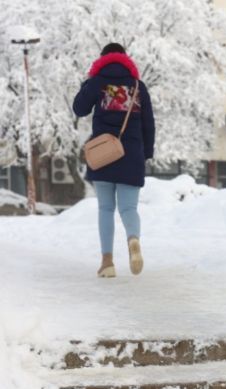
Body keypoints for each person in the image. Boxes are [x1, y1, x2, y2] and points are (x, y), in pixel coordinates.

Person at [73, 43, 155, 278]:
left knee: (105, 208)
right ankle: (133, 241)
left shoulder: (97, 84)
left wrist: (88, 83)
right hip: (131, 155)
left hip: (104, 155)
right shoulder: (139, 87)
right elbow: (149, 124)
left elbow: (79, 109)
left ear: (102, 60)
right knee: (128, 208)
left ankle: (107, 262)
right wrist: (145, 154)